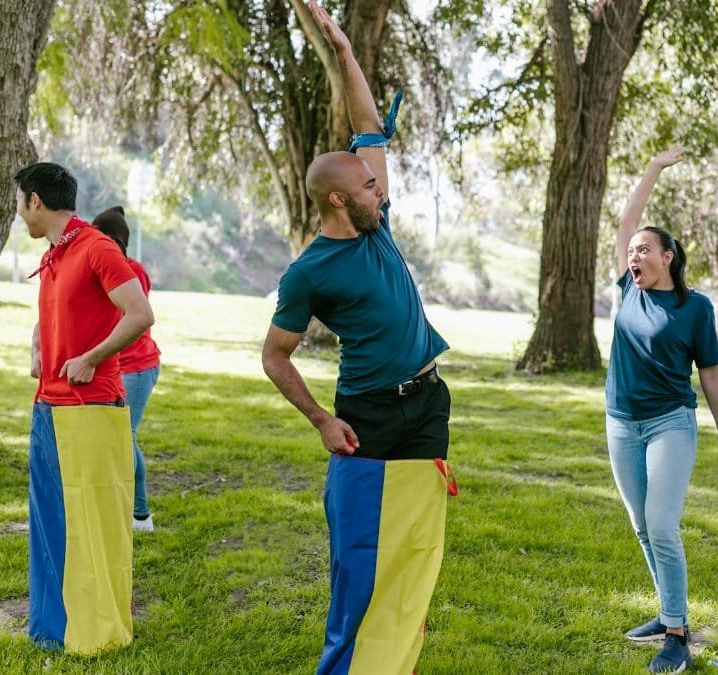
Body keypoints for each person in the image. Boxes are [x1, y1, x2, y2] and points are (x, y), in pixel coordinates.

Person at [261, 3, 454, 673]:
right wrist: (319, 417)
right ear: (341, 200)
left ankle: (394, 661)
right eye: (371, 185)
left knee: (416, 545)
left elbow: (368, 123)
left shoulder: (378, 222)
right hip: (366, 413)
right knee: (357, 557)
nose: (383, 189)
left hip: (428, 402)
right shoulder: (310, 271)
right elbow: (274, 354)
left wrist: (342, 49)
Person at [605, 149, 718, 672]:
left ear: (668, 257)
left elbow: (709, 374)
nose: (634, 255)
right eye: (632, 251)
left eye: (644, 250)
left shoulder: (696, 307)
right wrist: (654, 170)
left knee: (661, 524)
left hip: (670, 424)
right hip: (621, 422)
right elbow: (626, 219)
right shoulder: (627, 289)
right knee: (642, 526)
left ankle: (678, 634)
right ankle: (667, 615)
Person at [16, 162, 154, 654]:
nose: (20, 215)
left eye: (20, 204)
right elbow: (59, 314)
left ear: (35, 201)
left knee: (91, 527)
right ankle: (54, 630)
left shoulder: (96, 247)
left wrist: (92, 357)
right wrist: (39, 345)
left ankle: (94, 631)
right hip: (49, 407)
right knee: (51, 523)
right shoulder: (56, 254)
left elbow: (140, 314)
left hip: (91, 409)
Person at [93, 205, 161, 532]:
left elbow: (129, 315)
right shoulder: (98, 266)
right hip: (113, 366)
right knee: (112, 438)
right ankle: (116, 504)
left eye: (101, 238)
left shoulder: (131, 270)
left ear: (116, 241)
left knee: (123, 438)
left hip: (136, 367)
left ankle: (140, 515)